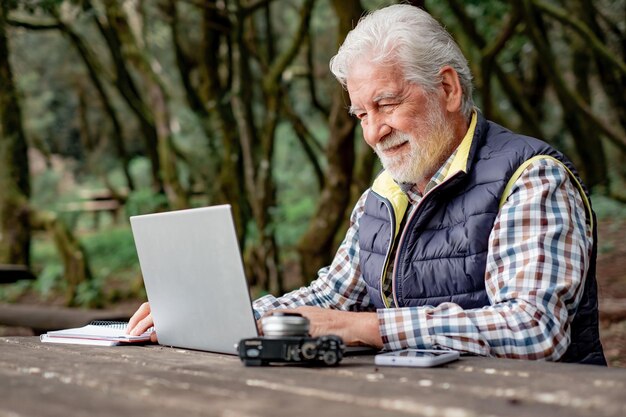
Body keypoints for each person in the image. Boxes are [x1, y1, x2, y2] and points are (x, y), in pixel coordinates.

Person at [128, 4, 606, 364]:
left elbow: (533, 330)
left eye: (388, 104)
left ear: (448, 89)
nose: (374, 132)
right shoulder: (383, 196)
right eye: (361, 114)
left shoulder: (532, 178)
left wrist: (368, 327)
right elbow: (328, 299)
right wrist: (216, 316)